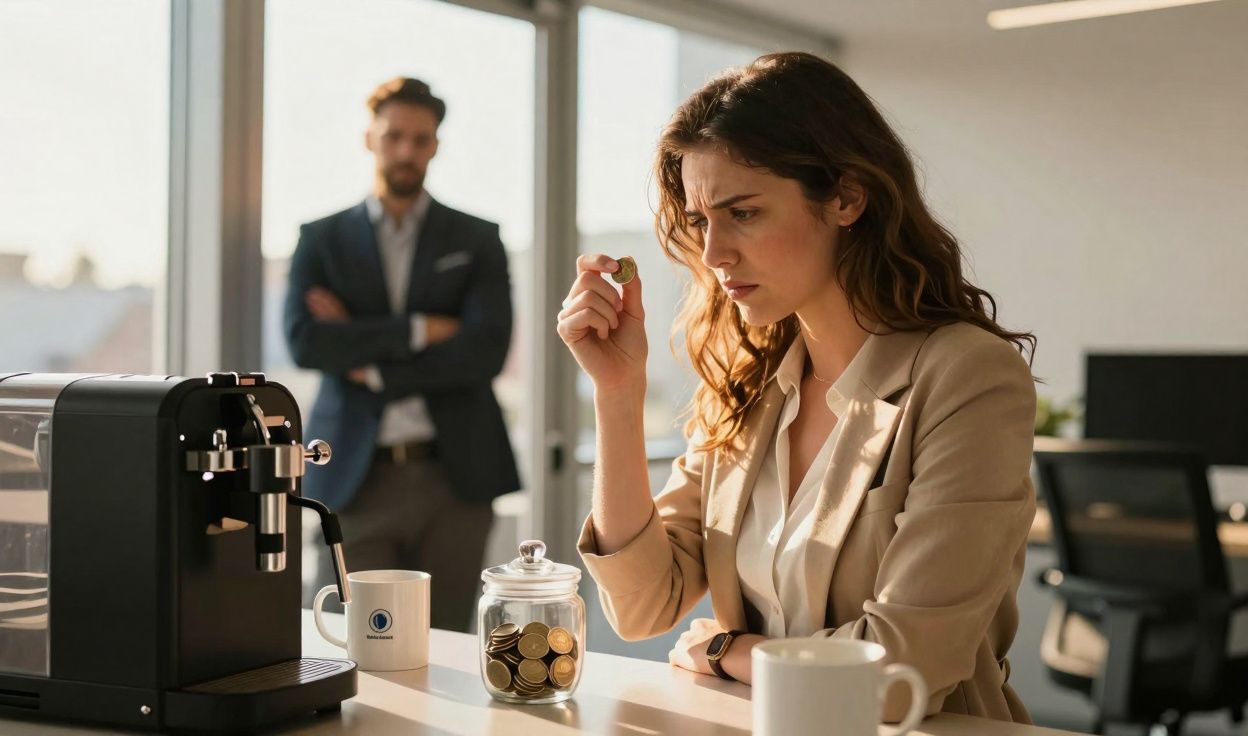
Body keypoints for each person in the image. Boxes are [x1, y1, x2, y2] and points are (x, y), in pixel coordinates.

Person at [558, 52, 1038, 723]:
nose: (716, 251)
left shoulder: (968, 377)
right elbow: (642, 607)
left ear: (846, 197)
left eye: (744, 212)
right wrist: (617, 394)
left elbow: (906, 667)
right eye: (701, 221)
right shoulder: (752, 384)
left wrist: (729, 648)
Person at [285, 77, 519, 633]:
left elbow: (486, 352)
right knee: (348, 642)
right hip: (354, 476)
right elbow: (307, 341)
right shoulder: (320, 239)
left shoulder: (478, 239)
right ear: (370, 137)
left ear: (436, 144)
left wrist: (367, 358)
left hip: (455, 476)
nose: (407, 151)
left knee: (449, 647)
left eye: (421, 139)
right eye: (394, 136)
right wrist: (420, 328)